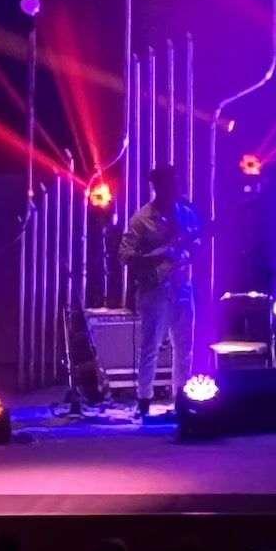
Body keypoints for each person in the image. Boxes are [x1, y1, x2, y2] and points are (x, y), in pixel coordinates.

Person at [119, 165, 199, 419]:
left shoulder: (187, 214)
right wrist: (158, 256)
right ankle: (144, 399)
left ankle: (182, 398)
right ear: (158, 187)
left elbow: (197, 247)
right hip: (155, 289)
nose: (176, 187)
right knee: (150, 345)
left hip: (182, 285)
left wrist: (190, 251)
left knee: (184, 346)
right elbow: (125, 255)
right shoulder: (141, 219)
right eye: (170, 183)